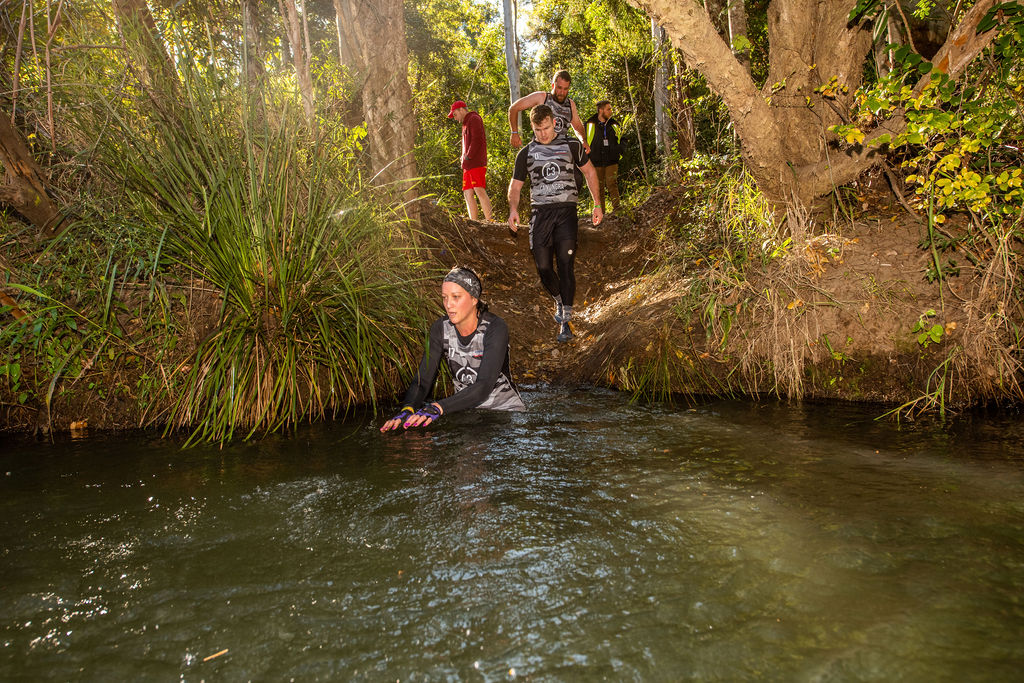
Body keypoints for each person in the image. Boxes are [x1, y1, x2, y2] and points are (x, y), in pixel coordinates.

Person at [380, 267, 525, 431]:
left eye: (456, 297)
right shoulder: (440, 329)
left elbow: (483, 386)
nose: (448, 305)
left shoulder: (495, 328)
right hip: (464, 411)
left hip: (504, 414)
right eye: (444, 298)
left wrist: (438, 407)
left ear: (474, 298)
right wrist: (408, 408)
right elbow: (423, 380)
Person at [507, 105, 603, 344]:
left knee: (565, 263)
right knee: (543, 267)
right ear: (533, 126)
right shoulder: (526, 153)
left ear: (554, 122)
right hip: (540, 214)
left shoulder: (571, 146)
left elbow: (590, 172)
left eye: (547, 128)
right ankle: (559, 299)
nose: (543, 134)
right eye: (538, 130)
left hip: (566, 212)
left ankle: (565, 322)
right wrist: (513, 210)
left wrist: (597, 203)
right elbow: (516, 186)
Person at [508, 70, 589, 154]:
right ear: (553, 85)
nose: (562, 92)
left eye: (565, 89)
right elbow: (513, 108)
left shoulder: (570, 104)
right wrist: (514, 132)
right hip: (539, 152)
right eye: (559, 88)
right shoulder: (541, 97)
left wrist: (583, 140)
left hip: (560, 154)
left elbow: (578, 126)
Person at [448, 100, 492, 221]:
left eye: (455, 114)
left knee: (479, 189)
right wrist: (463, 158)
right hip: (468, 165)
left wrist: (468, 156)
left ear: (461, 109)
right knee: (467, 193)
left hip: (476, 163)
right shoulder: (465, 123)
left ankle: (490, 220)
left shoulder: (474, 118)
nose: (455, 118)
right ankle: (474, 221)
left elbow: (477, 139)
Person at [585, 100, 623, 213]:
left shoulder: (614, 124)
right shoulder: (589, 123)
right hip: (596, 161)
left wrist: (619, 151)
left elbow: (622, 139)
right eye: (608, 109)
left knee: (612, 184)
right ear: (601, 110)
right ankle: (601, 213)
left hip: (611, 160)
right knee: (599, 187)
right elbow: (585, 141)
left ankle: (617, 209)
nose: (611, 111)